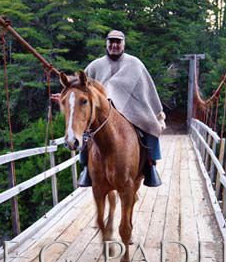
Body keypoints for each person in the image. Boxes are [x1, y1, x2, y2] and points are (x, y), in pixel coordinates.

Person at [55, 29, 165, 187]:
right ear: (106, 44)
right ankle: (86, 167)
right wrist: (64, 95)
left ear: (123, 44)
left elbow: (145, 90)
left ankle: (150, 167)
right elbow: (79, 87)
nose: (114, 45)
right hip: (103, 114)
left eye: (118, 42)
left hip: (132, 111)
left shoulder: (135, 64)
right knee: (86, 133)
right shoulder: (95, 65)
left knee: (150, 126)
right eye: (111, 42)